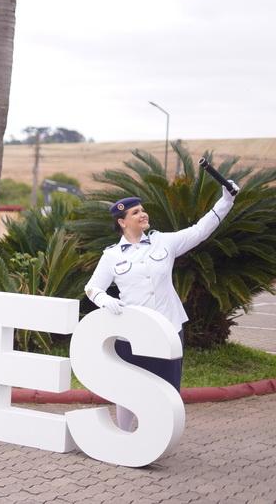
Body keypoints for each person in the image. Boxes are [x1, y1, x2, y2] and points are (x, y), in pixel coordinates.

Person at [83, 182, 239, 431]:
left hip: (168, 326)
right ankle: (124, 435)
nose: (143, 214)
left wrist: (226, 201)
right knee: (128, 386)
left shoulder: (164, 241)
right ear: (122, 222)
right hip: (132, 331)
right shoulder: (112, 255)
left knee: (167, 385)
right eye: (135, 212)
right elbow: (92, 288)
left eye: (142, 210)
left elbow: (200, 231)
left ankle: (160, 433)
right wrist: (105, 300)